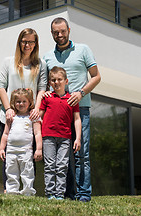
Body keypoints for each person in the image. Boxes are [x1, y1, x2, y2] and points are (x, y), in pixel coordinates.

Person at [43, 17, 101, 202]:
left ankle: (84, 195)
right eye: (55, 32)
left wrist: (81, 93)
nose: (59, 35)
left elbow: (96, 77)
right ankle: (66, 194)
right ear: (52, 33)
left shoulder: (83, 49)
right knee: (61, 156)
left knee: (81, 154)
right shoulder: (47, 57)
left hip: (79, 109)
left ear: (69, 29)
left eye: (62, 31)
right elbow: (44, 84)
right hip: (56, 113)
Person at [0, 28, 47, 191]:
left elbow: (41, 88)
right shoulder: (8, 62)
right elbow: (0, 86)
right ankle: (8, 189)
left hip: (29, 119)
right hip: (10, 118)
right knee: (8, 157)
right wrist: (8, 108)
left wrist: (37, 109)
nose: (28, 45)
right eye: (25, 41)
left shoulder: (41, 64)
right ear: (19, 42)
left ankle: (28, 190)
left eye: (32, 42)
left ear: (36, 44)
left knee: (29, 156)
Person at [39, 66, 82, 200]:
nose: (56, 82)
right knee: (50, 165)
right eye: (53, 80)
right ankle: (50, 193)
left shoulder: (72, 99)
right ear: (50, 83)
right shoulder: (47, 98)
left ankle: (59, 195)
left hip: (65, 138)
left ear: (66, 81)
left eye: (59, 79)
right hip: (48, 137)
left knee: (62, 166)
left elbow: (77, 119)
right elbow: (39, 116)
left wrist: (78, 138)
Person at [0, 88, 42, 195]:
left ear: (29, 102)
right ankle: (12, 191)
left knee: (27, 172)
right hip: (11, 151)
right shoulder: (11, 117)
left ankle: (28, 192)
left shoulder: (33, 117)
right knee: (11, 172)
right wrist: (1, 149)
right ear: (14, 103)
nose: (21, 104)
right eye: (18, 101)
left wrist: (39, 149)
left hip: (26, 151)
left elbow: (38, 134)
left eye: (24, 101)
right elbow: (5, 134)